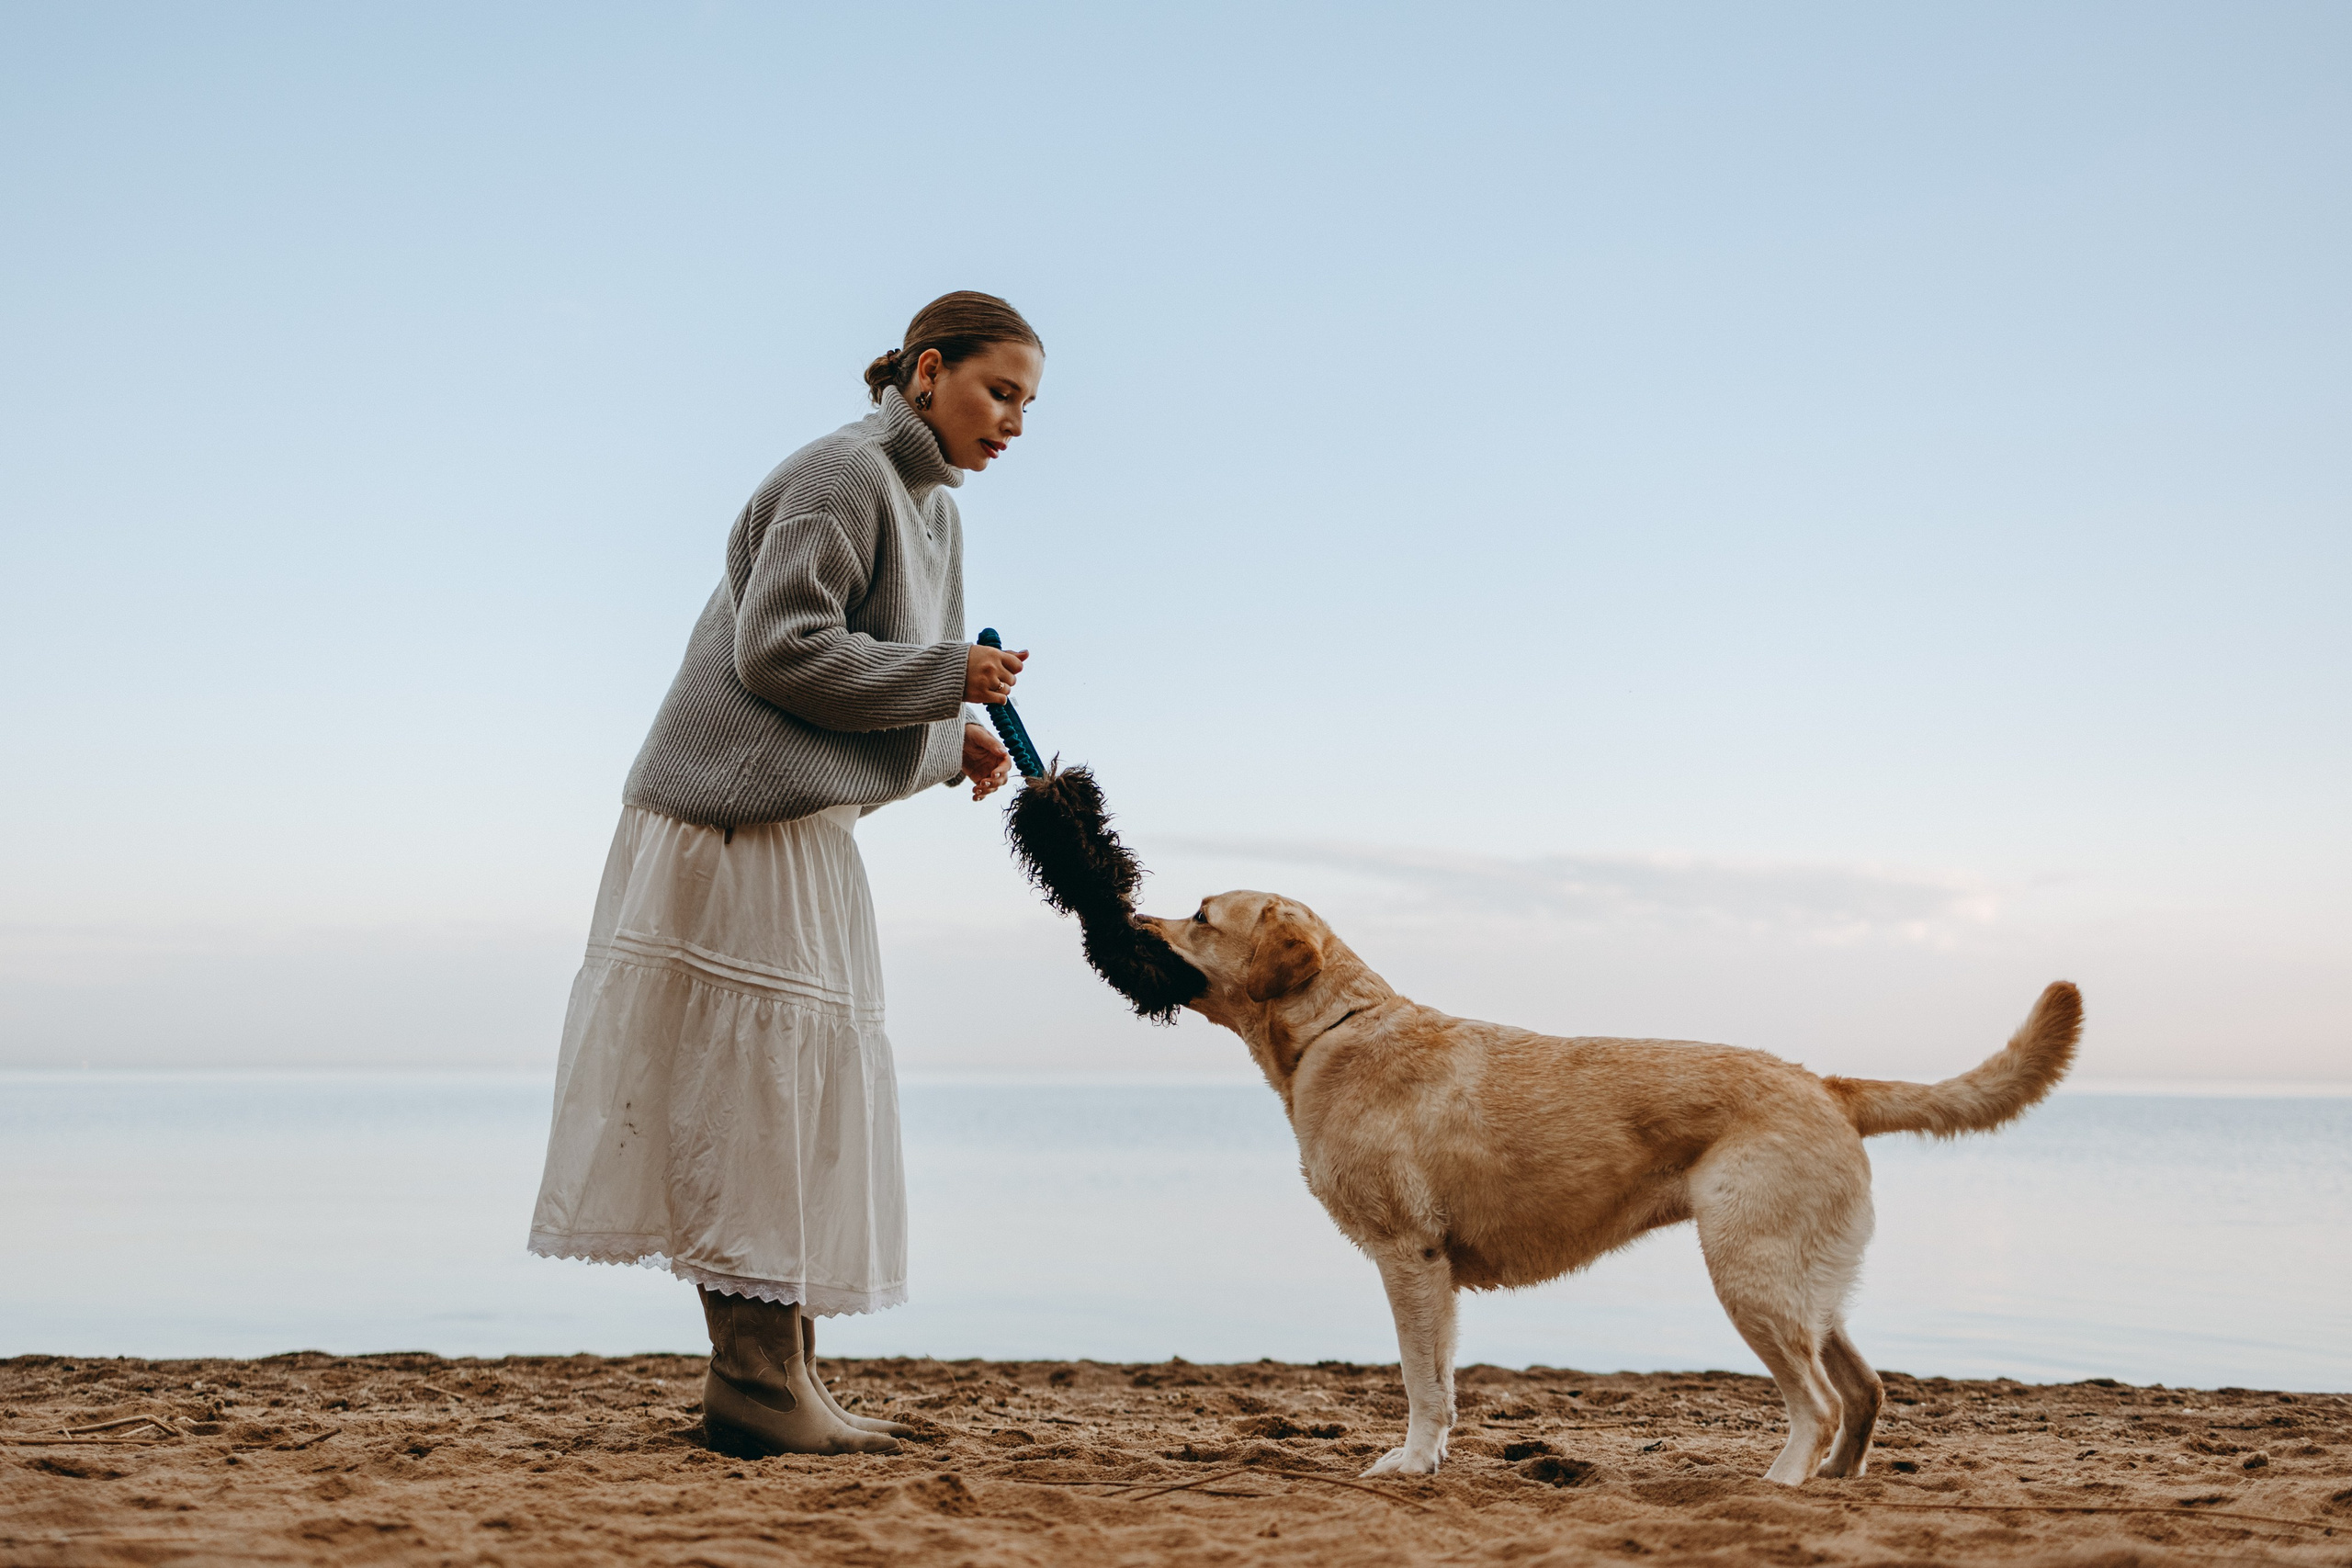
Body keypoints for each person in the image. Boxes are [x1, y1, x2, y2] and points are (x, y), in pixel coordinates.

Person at [527, 292, 1044, 1456]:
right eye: (997, 391)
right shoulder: (841, 473)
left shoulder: (931, 512)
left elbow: (866, 676)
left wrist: (939, 725)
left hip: (796, 823)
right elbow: (782, 649)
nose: (1013, 422)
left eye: (1026, 403)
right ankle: (755, 1387)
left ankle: (781, 1376)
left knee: (796, 1096)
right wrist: (949, 676)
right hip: (724, 824)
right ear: (926, 373)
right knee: (750, 1096)